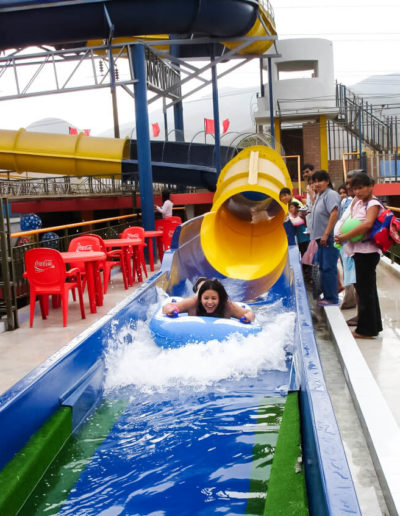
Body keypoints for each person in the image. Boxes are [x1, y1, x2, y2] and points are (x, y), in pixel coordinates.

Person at [334, 173, 383, 339]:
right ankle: (373, 326)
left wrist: (344, 237)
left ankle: (366, 330)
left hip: (367, 252)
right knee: (366, 290)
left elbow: (367, 224)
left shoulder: (373, 203)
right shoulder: (359, 202)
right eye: (354, 188)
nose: (357, 191)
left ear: (370, 186)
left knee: (365, 292)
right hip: (359, 251)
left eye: (361, 187)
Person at [309, 170, 341, 306]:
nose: (317, 184)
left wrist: (326, 234)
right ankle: (328, 295)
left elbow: (334, 214)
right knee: (323, 267)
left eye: (320, 181)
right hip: (321, 239)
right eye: (315, 181)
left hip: (328, 238)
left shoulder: (331, 194)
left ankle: (332, 298)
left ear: (327, 181)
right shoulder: (320, 195)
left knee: (328, 267)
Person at [162, 279, 255, 322]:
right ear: (200, 298)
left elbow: (249, 313)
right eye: (206, 298)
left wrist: (249, 316)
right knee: (201, 288)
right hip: (198, 294)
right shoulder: (193, 302)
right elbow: (165, 308)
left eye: (214, 299)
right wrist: (170, 310)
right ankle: (200, 283)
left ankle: (203, 283)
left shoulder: (227, 306)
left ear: (220, 298)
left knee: (208, 290)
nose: (210, 302)